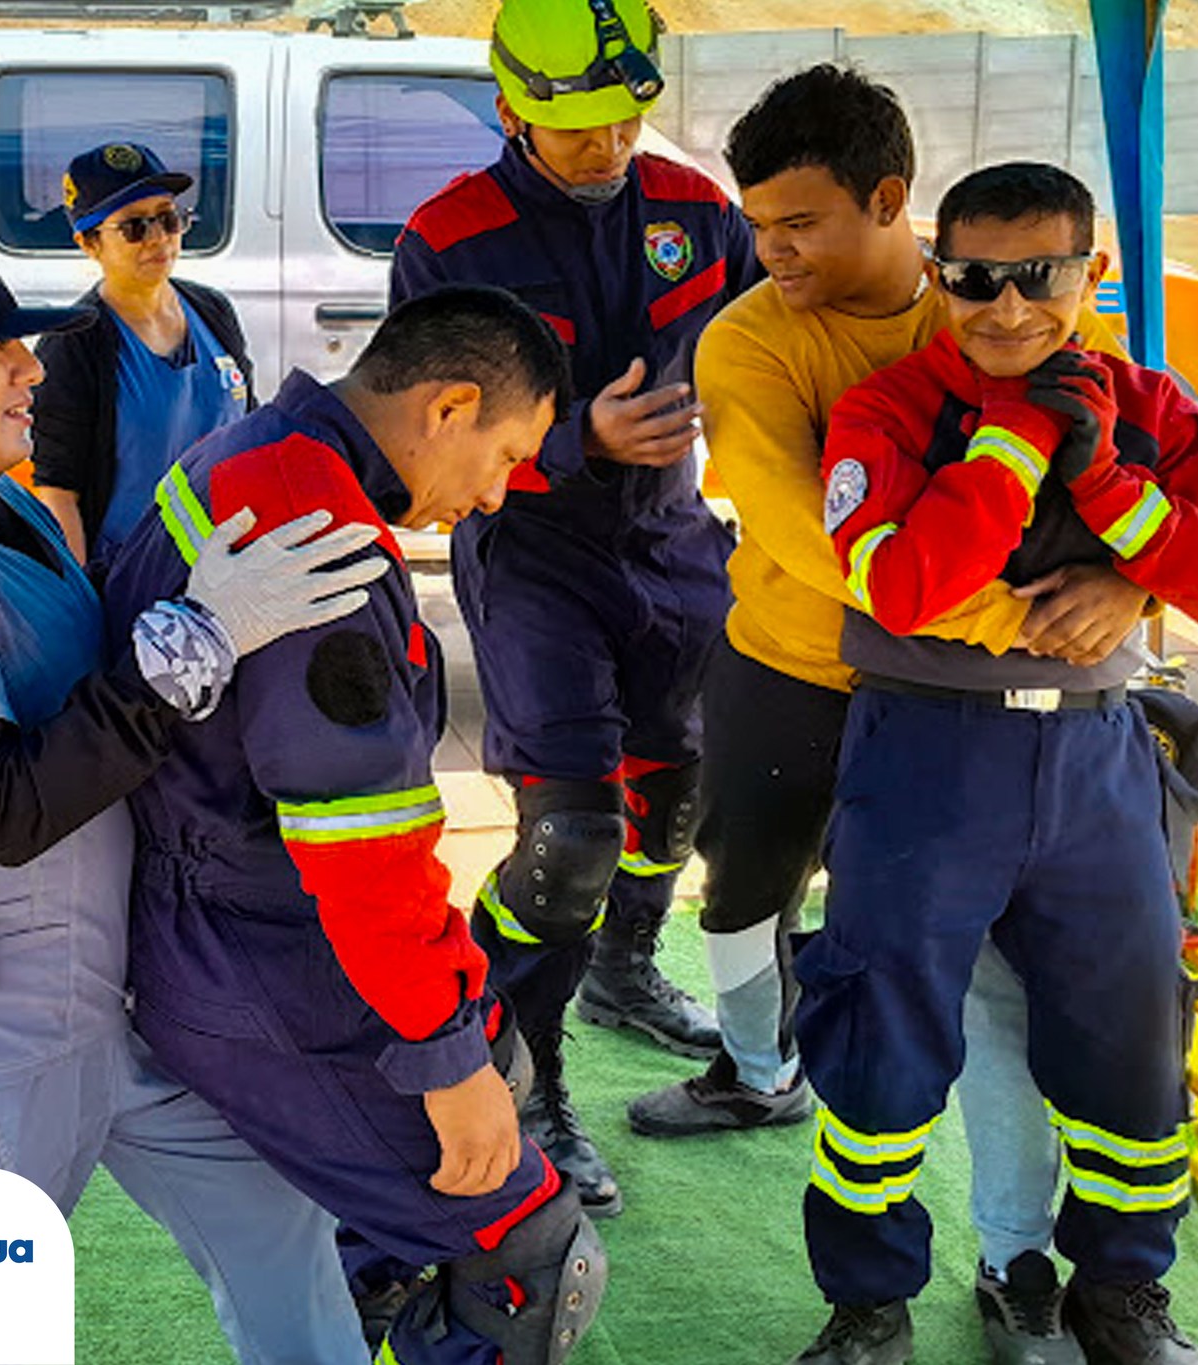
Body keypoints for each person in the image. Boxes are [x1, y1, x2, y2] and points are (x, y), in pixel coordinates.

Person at [0, 226, 382, 1365]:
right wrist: (196, 639)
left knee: (273, 1221)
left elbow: (86, 690)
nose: (31, 371)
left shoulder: (4, 515)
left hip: (95, 1000)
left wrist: (203, 610)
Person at [641, 64, 1152, 1365]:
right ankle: (757, 1071)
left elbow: (1123, 469)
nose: (773, 252)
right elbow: (820, 536)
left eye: (799, 223)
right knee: (748, 899)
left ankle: (1011, 1259)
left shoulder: (994, 302)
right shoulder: (752, 340)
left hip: (958, 715)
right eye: (757, 225)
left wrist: (1127, 585)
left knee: (985, 983)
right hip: (800, 673)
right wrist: (1029, 622)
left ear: (890, 201)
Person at [790, 162, 1198, 1365]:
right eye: (973, 279)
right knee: (881, 1036)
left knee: (1132, 1036)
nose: (1006, 309)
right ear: (937, 273)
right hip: (926, 754)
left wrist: (1124, 525)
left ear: (1090, 275)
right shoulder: (890, 407)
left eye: (1038, 277)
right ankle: (867, 1308)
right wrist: (1021, 437)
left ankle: (1118, 1300)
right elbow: (904, 585)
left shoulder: (1155, 408)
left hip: (1096, 758)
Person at [102, 285, 609, 1365]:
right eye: (508, 455)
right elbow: (361, 855)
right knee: (532, 1256)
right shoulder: (315, 527)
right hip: (257, 954)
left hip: (221, 924)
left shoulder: (261, 456)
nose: (496, 495)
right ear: (448, 407)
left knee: (477, 1108)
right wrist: (442, 1058)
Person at [390, 0, 760, 1218]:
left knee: (679, 787)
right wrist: (574, 446)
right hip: (534, 552)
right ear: (509, 111)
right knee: (569, 837)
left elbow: (769, 339)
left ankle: (625, 969)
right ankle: (524, 1069)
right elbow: (423, 416)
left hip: (673, 544)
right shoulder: (452, 237)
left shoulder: (699, 211)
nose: (605, 146)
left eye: (622, 119)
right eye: (574, 127)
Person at [31, 140, 253, 573]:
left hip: (229, 574)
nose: (158, 239)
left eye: (168, 220)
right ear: (89, 244)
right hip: (129, 580)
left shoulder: (213, 312)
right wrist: (78, 602)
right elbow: (58, 490)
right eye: (134, 227)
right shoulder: (75, 342)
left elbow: (247, 437)